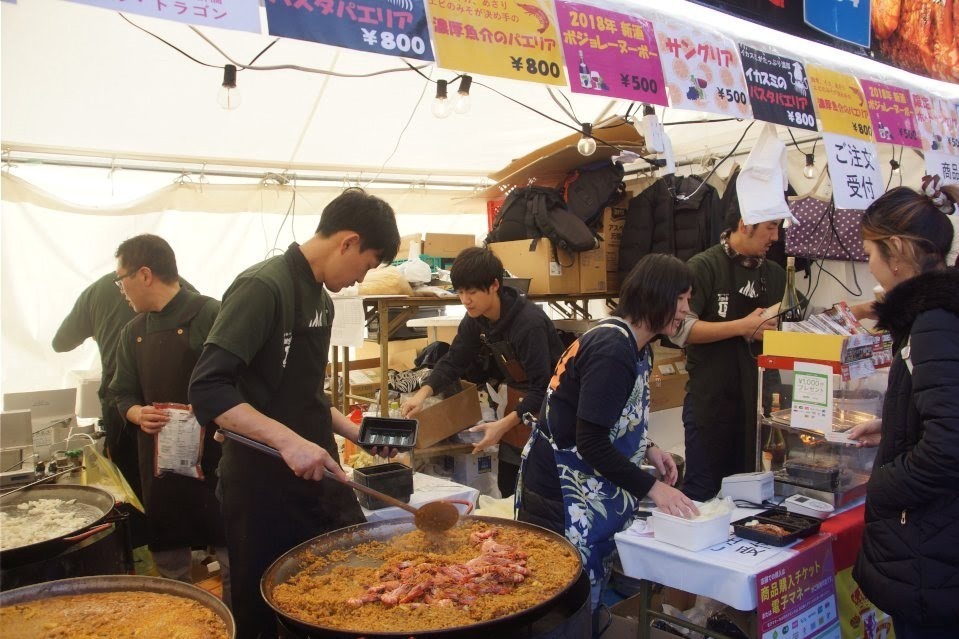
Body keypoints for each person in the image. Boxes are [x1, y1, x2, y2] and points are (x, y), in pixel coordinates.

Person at [189, 188, 400, 639]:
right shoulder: (263, 287)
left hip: (316, 474)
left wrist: (355, 432)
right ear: (347, 241)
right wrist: (286, 441)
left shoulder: (321, 300)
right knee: (266, 607)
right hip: (261, 484)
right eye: (365, 265)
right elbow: (208, 388)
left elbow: (304, 392)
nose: (360, 279)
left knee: (345, 590)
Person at [516, 253, 699, 616]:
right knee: (560, 607)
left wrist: (647, 448)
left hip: (581, 488)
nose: (686, 310)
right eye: (682, 299)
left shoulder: (635, 344)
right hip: (562, 494)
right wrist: (653, 488)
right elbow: (591, 441)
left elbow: (599, 416)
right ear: (658, 296)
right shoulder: (613, 349)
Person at [844, 184, 959, 638]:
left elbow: (949, 444)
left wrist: (885, 484)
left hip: (932, 551)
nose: (867, 263)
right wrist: (893, 425)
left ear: (895, 252)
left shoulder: (932, 321)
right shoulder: (937, 313)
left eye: (869, 251)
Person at [108, 235, 229, 603]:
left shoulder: (210, 313)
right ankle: (180, 614)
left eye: (121, 279)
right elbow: (121, 390)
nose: (120, 290)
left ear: (144, 274)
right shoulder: (133, 331)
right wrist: (135, 413)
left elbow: (238, 376)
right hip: (161, 461)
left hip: (215, 454)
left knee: (229, 545)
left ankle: (238, 619)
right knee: (169, 550)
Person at [400, 247, 564, 497]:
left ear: (494, 285)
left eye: (472, 291)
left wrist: (502, 426)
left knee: (540, 489)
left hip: (554, 408)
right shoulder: (476, 319)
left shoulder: (528, 324)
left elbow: (544, 387)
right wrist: (421, 396)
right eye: (460, 292)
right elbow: (453, 361)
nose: (465, 299)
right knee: (509, 485)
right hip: (517, 403)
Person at [668, 209, 788, 501]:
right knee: (703, 492)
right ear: (745, 224)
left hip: (761, 406)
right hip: (711, 402)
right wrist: (741, 327)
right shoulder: (704, 267)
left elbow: (790, 329)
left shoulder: (775, 274)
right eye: (770, 228)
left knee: (755, 496)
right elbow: (679, 330)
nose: (775, 237)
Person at [53, 273, 140, 499]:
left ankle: (135, 530)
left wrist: (96, 329)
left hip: (119, 402)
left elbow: (62, 342)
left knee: (129, 487)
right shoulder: (172, 282)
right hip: (160, 401)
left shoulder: (97, 291)